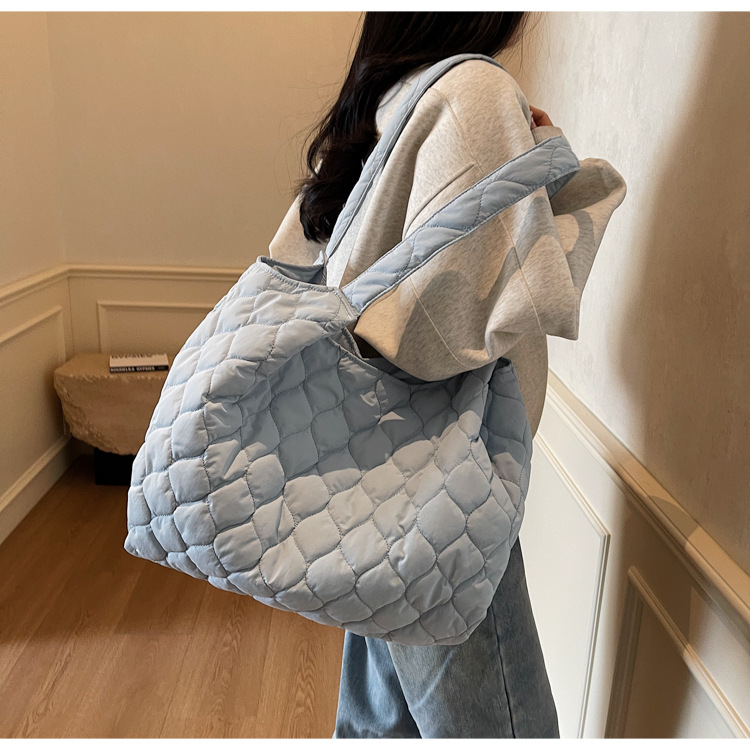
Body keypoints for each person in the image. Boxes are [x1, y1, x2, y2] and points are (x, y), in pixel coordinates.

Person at [268, 11, 626, 739]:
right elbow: (449, 326)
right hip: (442, 487)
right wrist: (545, 170)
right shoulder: (471, 92)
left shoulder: (388, 99)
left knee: (378, 725)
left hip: (371, 471)